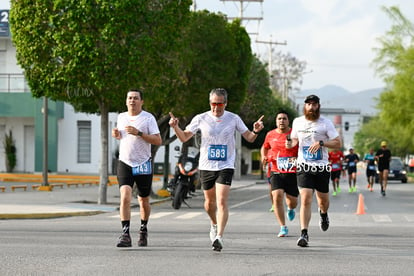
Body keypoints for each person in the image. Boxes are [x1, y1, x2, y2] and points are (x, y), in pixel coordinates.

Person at [169, 88, 264, 252]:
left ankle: (219, 236)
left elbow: (249, 137)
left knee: (221, 201)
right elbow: (184, 137)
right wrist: (175, 127)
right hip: (206, 165)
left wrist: (255, 130)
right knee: (209, 203)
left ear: (225, 103)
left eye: (220, 104)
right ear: (210, 103)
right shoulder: (201, 118)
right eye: (214, 103)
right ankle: (213, 224)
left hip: (225, 165)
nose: (216, 107)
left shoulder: (233, 118)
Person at [286, 94, 341, 247]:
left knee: (323, 201)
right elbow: (294, 141)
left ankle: (323, 214)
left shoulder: (325, 123)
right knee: (305, 198)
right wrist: (289, 144)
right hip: (304, 166)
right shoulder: (298, 122)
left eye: (314, 104)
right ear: (305, 106)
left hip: (321, 166)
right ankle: (304, 233)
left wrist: (322, 143)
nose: (311, 107)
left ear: (318, 106)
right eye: (309, 104)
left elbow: (338, 143)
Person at [112, 90, 162, 247]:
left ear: (142, 101)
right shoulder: (121, 117)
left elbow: (158, 140)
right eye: (129, 98)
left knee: (143, 200)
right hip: (125, 162)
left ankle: (143, 229)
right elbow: (122, 136)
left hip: (143, 163)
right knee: (125, 195)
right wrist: (116, 135)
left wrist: (139, 133)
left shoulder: (148, 118)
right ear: (126, 101)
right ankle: (125, 234)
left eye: (135, 98)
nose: (132, 101)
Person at [261, 110, 299, 238]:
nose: (281, 121)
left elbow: (302, 150)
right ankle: (283, 227)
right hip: (276, 170)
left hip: (292, 172)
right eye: (279, 119)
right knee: (277, 196)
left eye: (284, 118)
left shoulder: (295, 134)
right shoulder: (270, 134)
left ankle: (291, 208)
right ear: (276, 121)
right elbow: (265, 147)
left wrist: (297, 159)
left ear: (288, 121)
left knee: (292, 201)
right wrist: (264, 156)